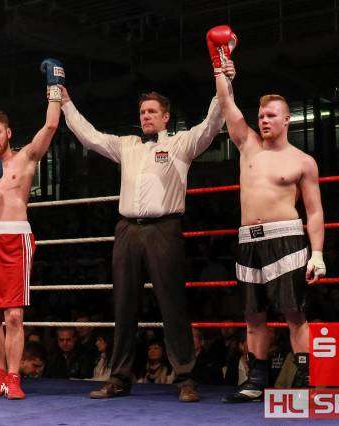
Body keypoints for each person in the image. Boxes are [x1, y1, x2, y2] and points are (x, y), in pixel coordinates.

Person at [58, 62, 230, 402]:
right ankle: (119, 377)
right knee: (123, 304)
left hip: (164, 228)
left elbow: (213, 122)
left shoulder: (181, 143)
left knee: (172, 303)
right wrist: (65, 102)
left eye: (152, 111)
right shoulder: (127, 145)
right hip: (127, 230)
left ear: (165, 117)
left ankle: (185, 378)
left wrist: (222, 78)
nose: (146, 116)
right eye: (142, 112)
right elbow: (89, 136)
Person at [209, 25, 326, 402]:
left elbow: (314, 211)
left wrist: (318, 254)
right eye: (261, 115)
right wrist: (220, 64)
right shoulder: (248, 145)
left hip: (287, 240)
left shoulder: (302, 161)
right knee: (253, 315)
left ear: (286, 119)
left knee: (294, 313)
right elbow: (226, 104)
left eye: (271, 115)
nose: (263, 120)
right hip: (248, 241)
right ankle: (256, 382)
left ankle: (306, 379)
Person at [0, 58, 64, 399]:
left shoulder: (26, 158)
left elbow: (50, 126)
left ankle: (15, 377)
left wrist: (54, 89)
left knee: (14, 315)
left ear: (8, 132)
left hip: (14, 238)